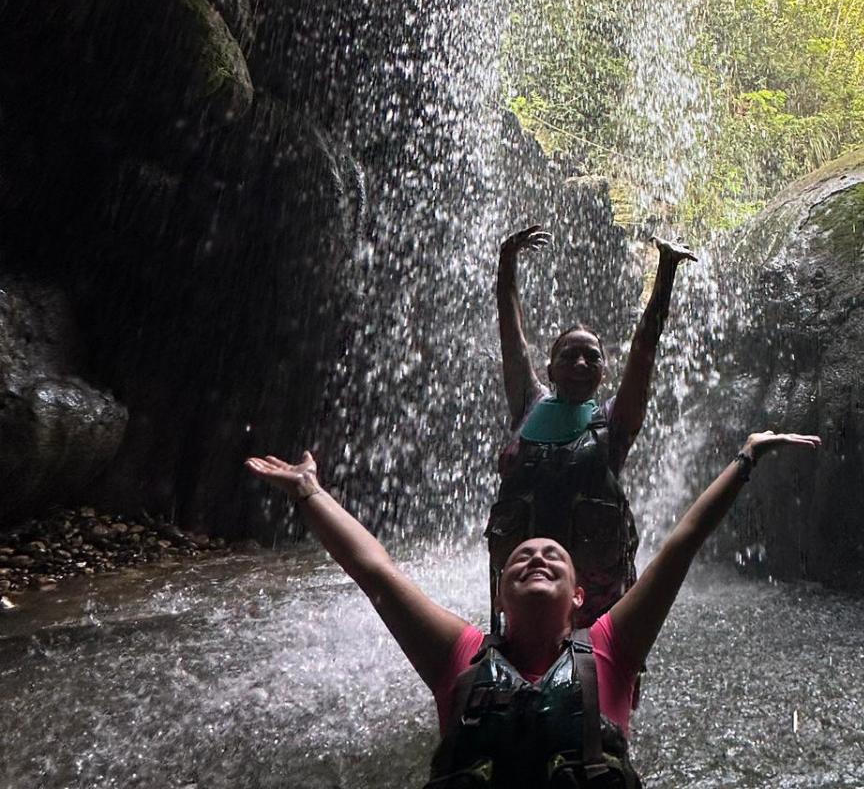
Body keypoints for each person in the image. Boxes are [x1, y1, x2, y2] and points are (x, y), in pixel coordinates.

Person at [245, 430, 820, 788]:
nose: (537, 557)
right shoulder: (459, 656)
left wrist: (746, 458)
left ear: (578, 596)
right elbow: (377, 573)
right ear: (500, 595)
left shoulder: (610, 648)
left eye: (553, 556)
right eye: (521, 556)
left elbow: (680, 545)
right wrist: (309, 492)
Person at [487, 225, 695, 629]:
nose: (581, 364)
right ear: (549, 368)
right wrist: (506, 262)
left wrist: (666, 271)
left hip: (594, 608)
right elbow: (511, 336)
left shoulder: (614, 424)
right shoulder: (529, 407)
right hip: (525, 599)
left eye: (592, 357)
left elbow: (644, 351)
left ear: (603, 372)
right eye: (569, 355)